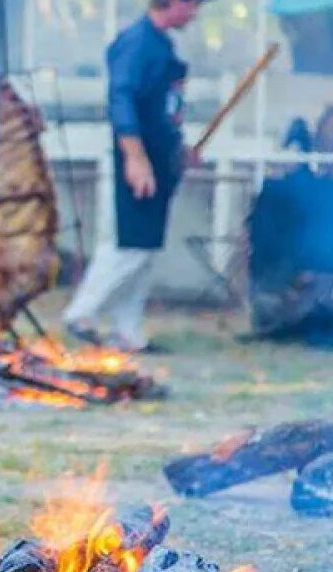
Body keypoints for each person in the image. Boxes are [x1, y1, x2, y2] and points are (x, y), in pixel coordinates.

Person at [63, 0, 206, 353]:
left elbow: (163, 110)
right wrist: (135, 157)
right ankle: (82, 313)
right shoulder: (136, 43)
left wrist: (179, 148)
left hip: (159, 157)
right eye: (191, 5)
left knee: (145, 247)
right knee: (132, 243)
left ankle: (127, 332)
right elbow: (121, 100)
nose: (194, 13)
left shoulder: (163, 44)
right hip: (140, 157)